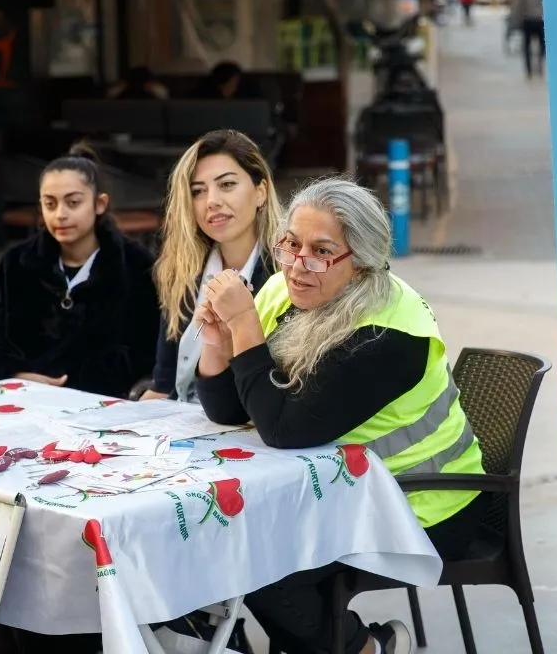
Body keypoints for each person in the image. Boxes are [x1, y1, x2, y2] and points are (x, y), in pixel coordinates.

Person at [193, 178, 488, 654]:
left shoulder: (387, 335)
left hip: (420, 505)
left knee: (264, 569)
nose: (296, 265)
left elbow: (285, 429)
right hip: (339, 491)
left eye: (321, 251)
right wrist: (217, 339)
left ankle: (366, 648)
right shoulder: (285, 289)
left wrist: (244, 324)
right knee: (210, 538)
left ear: (361, 263)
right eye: (290, 244)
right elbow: (230, 410)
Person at [0, 143, 160, 398]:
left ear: (99, 204)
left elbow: (152, 353)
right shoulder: (16, 264)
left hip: (106, 408)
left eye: (73, 202)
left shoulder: (136, 266)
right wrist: (16, 376)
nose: (60, 214)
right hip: (23, 401)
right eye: (50, 204)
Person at [140, 129, 282, 402]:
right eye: (198, 191)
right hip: (181, 423)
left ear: (261, 192)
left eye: (227, 184)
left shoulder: (288, 272)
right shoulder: (182, 269)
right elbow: (163, 385)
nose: (212, 201)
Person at [515, 0, 545, 78]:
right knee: (541, 45)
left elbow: (519, 8)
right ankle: (540, 66)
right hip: (540, 21)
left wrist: (518, 21)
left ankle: (529, 70)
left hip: (527, 20)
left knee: (527, 46)